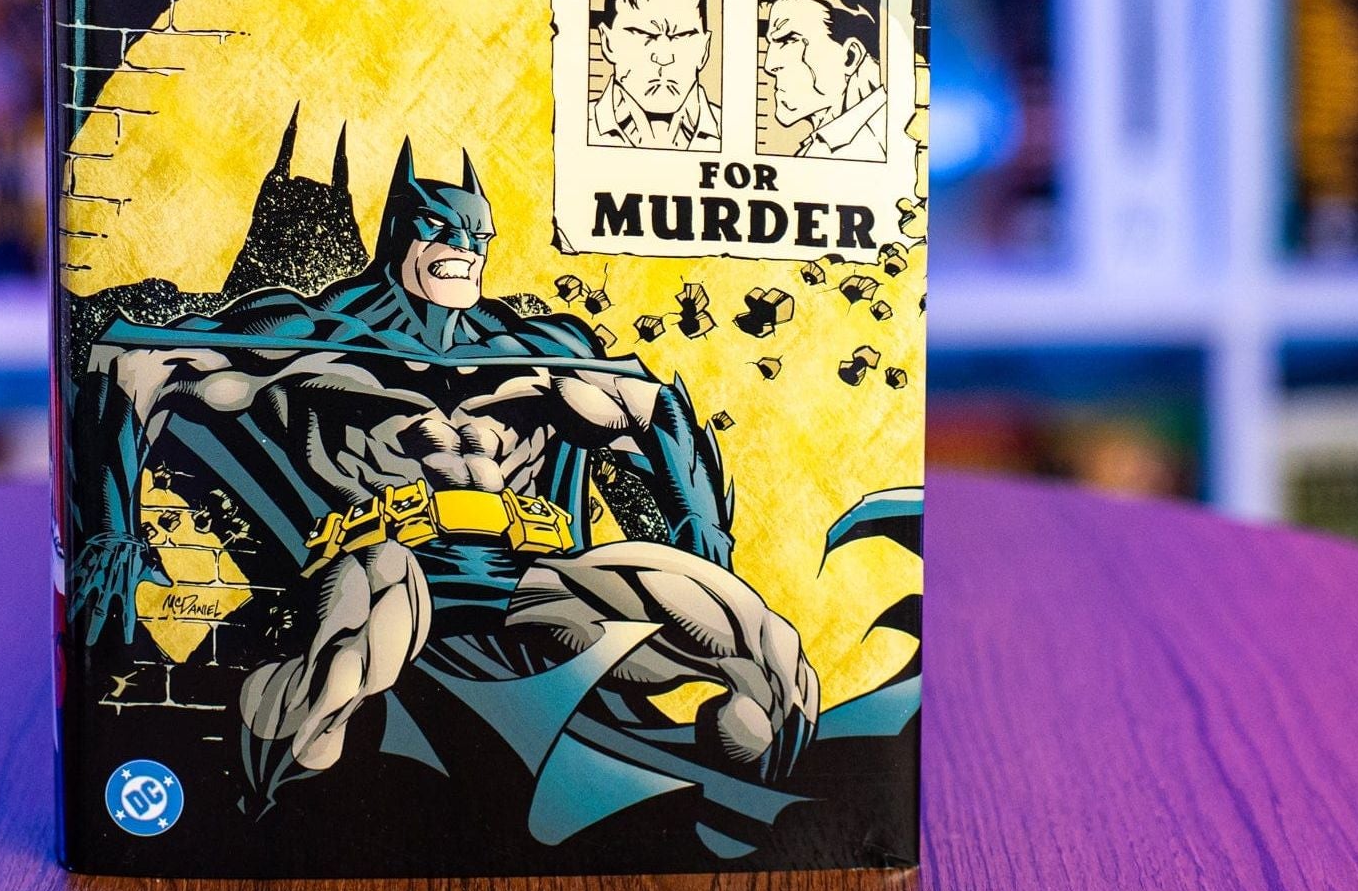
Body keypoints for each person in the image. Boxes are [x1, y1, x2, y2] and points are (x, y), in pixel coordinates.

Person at [70, 139, 818, 849]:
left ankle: (746, 803)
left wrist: (701, 536)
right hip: (391, 562)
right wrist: (111, 529)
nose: (464, 248)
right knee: (355, 652)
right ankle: (275, 786)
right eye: (442, 230)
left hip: (528, 578)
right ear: (401, 232)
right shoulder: (318, 333)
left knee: (760, 645)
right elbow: (134, 368)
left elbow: (659, 411)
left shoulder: (538, 352)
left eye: (477, 235)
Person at [587, 0, 721, 151]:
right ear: (607, 42)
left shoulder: (735, 132)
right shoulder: (574, 128)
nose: (664, 58)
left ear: (704, 48)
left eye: (682, 35)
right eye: (643, 33)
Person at [761, 0, 887, 161]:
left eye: (789, 41)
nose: (769, 65)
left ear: (850, 56)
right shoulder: (831, 144)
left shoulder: (860, 149)